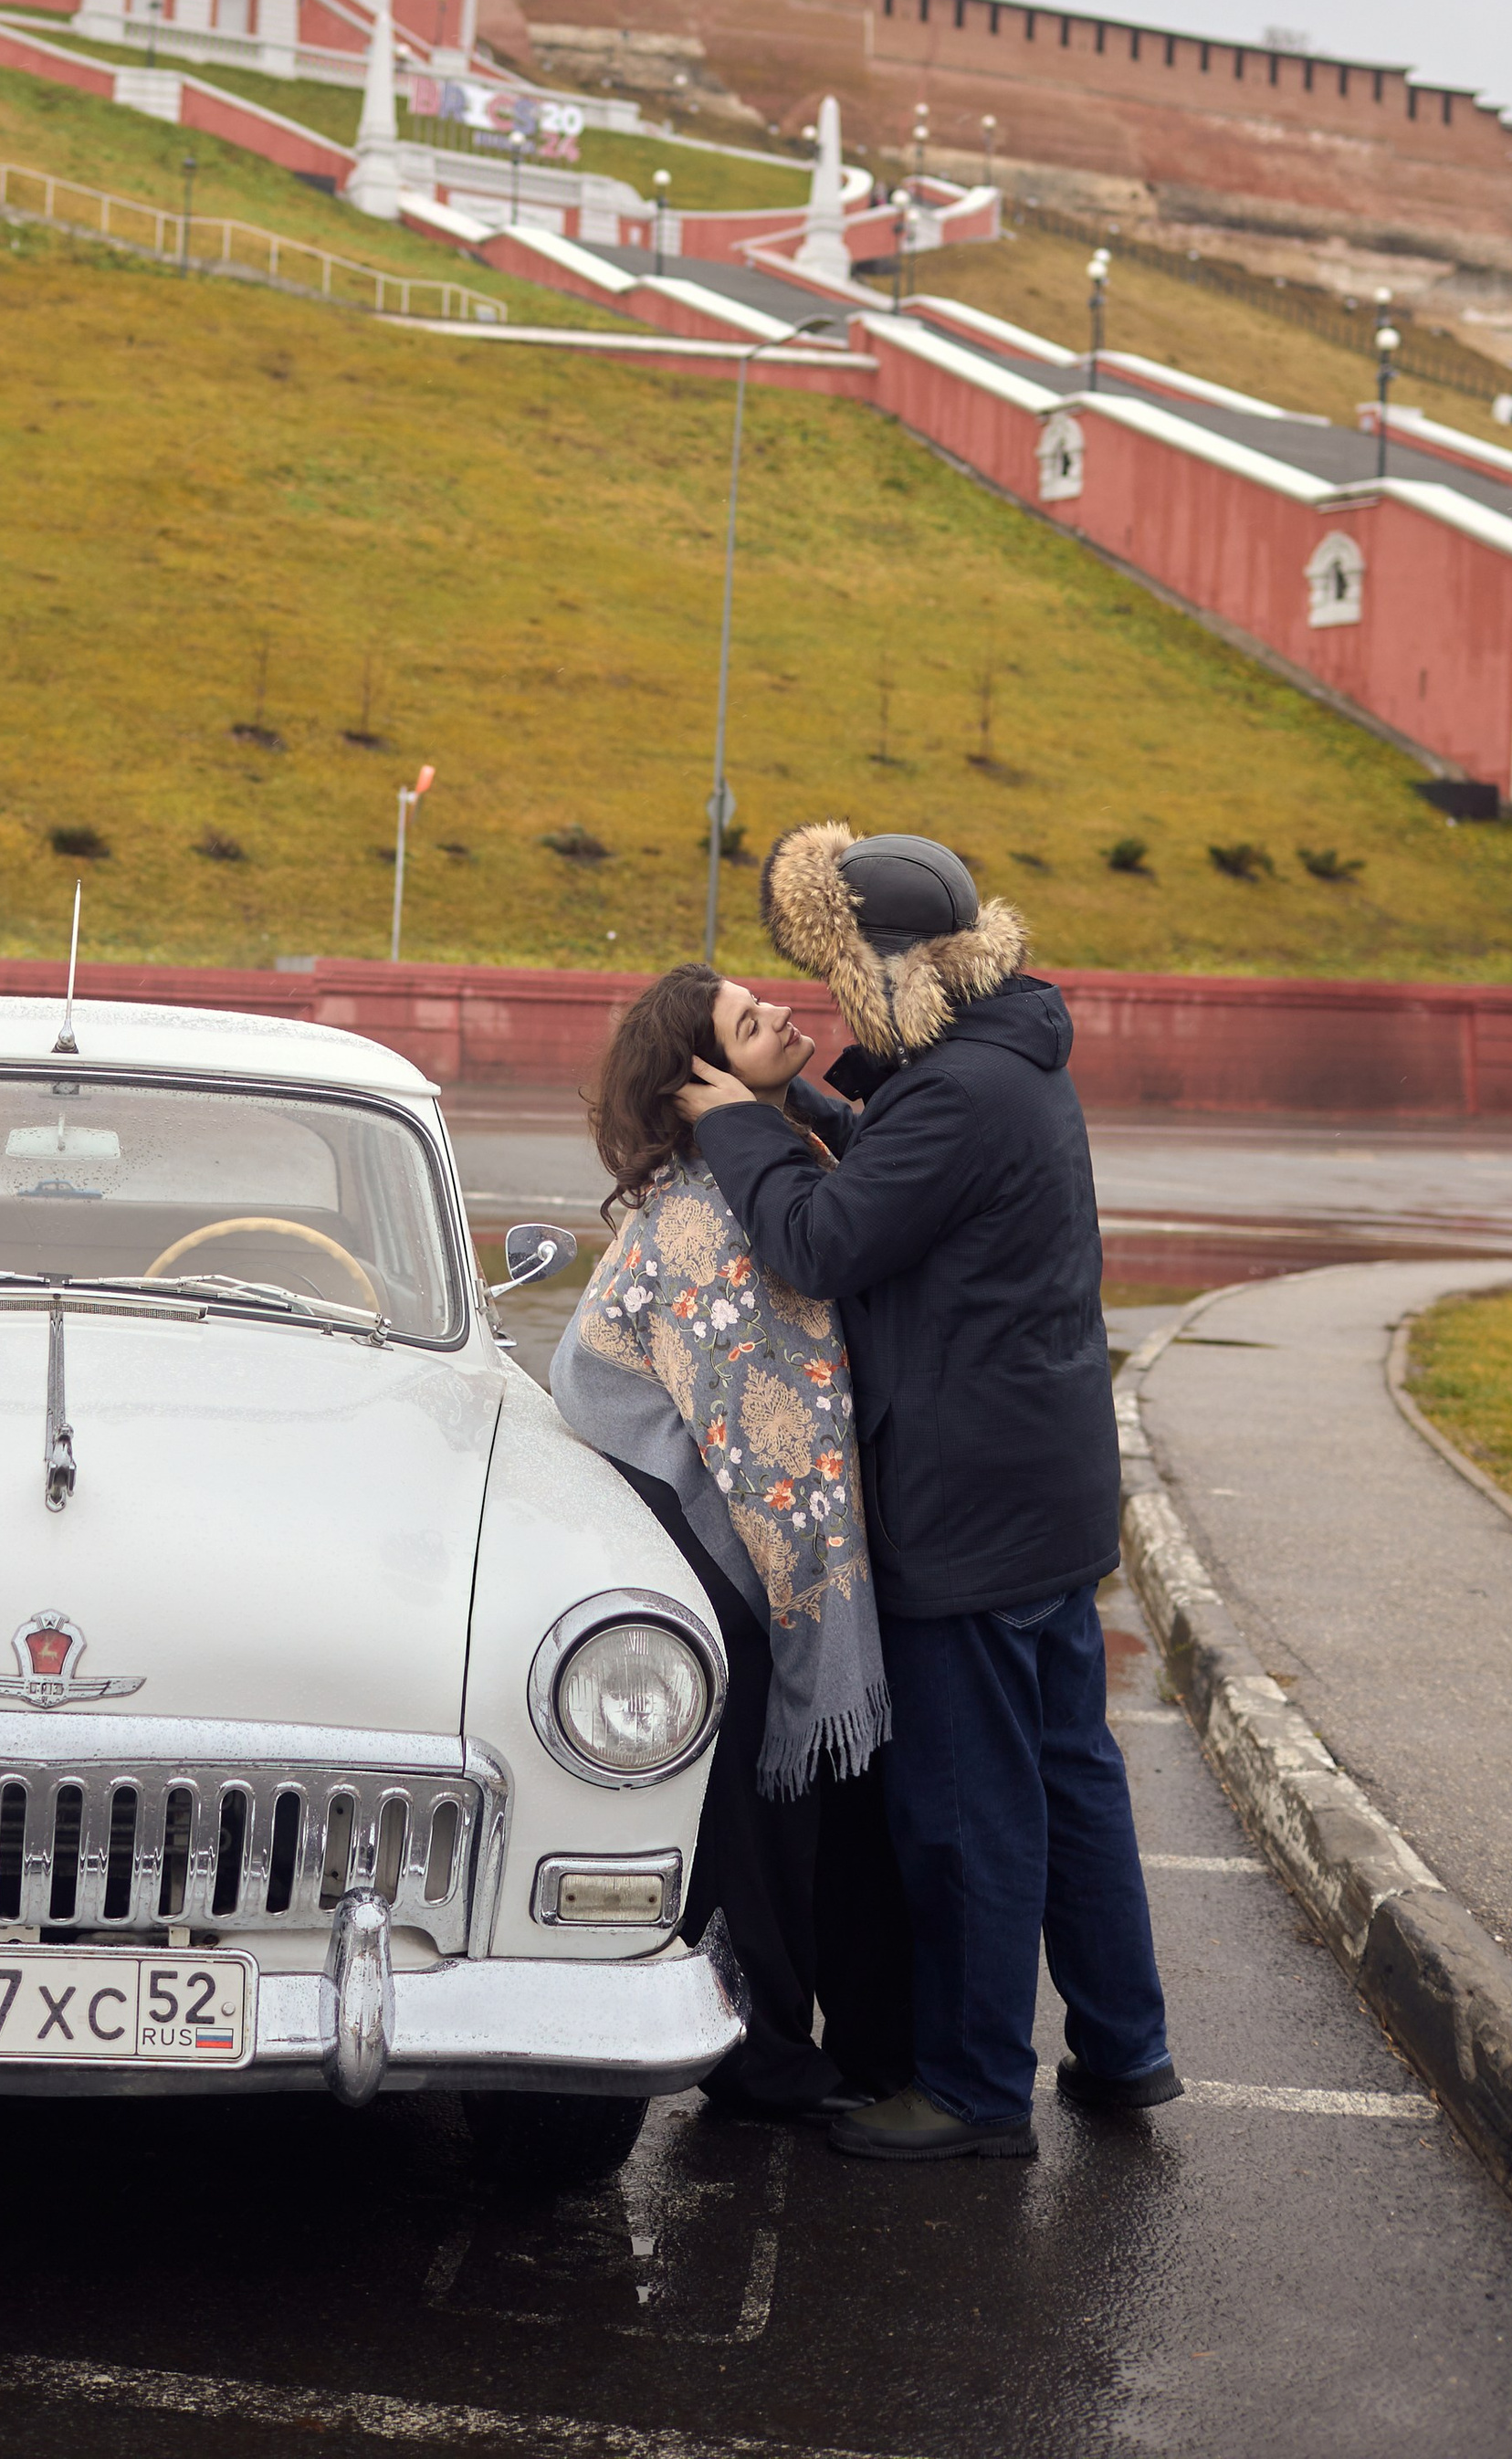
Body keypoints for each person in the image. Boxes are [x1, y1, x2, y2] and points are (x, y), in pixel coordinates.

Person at [681, 826, 1179, 2166]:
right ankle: (1127, 2049)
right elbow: (901, 1169)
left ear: (899, 971)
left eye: (842, 980)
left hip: (966, 1509)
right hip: (1042, 1494)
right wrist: (812, 1117)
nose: (833, 1010)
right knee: (1073, 1777)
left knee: (967, 1811)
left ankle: (970, 2092)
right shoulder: (999, 1067)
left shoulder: (959, 1095)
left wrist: (735, 1123)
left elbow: (823, 1239)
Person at [551, 962, 913, 2122]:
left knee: (792, 1797)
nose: (785, 1017)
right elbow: (770, 1440)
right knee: (759, 1802)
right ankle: (759, 2060)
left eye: (768, 1004)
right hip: (699, 1524)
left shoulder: (770, 1153)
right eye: (752, 1025)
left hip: (722, 1509)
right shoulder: (712, 1217)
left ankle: (802, 2040)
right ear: (701, 1081)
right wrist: (816, 1612)